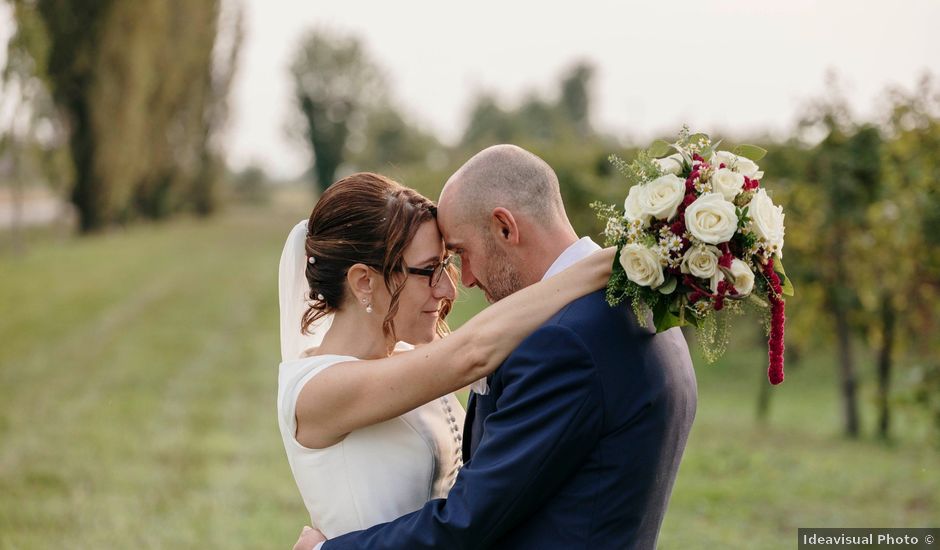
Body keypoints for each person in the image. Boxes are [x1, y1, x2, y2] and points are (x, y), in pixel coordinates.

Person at [294, 145, 698, 550]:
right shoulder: (645, 308)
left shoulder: (565, 342)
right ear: (363, 281)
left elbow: (468, 520)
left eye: (460, 255)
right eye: (433, 269)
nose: (462, 281)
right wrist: (615, 261)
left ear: (505, 228)